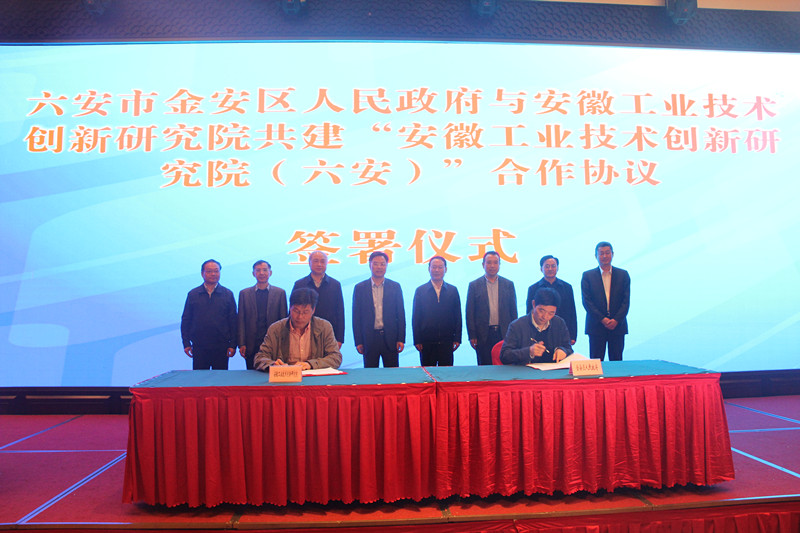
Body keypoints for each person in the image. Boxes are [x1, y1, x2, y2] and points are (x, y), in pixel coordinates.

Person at [253, 288, 342, 371]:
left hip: (313, 377)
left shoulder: (324, 327)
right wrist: (273, 365)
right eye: (296, 311)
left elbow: (335, 357)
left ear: (313, 310)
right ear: (290, 308)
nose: (300, 317)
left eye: (305, 312)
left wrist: (311, 364)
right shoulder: (276, 329)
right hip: (286, 377)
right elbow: (260, 357)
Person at [180, 259, 238, 370]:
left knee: (220, 378)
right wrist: (186, 343)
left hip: (221, 346)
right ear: (202, 273)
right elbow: (186, 320)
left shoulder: (227, 294)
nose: (213, 274)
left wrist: (233, 345)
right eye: (209, 271)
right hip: (199, 346)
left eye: (216, 271)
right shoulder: (193, 294)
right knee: (200, 379)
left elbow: (233, 321)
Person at [352, 251, 406, 368]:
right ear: (370, 265)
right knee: (370, 374)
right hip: (369, 339)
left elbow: (401, 315)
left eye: (382, 264)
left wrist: (401, 339)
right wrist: (358, 341)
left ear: (386, 266)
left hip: (390, 338)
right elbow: (356, 317)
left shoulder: (395, 286)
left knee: (392, 373)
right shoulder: (360, 288)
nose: (379, 267)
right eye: (375, 264)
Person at [581, 241, 630, 361]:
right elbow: (587, 302)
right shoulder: (588, 276)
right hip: (596, 326)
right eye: (601, 253)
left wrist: (616, 320)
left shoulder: (623, 275)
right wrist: (602, 319)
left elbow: (626, 301)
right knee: (596, 362)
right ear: (596, 256)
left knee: (617, 361)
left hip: (617, 326)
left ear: (612, 254)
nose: (604, 256)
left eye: (607, 253)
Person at [465, 251, 518, 365]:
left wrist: (514, 333)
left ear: (499, 264)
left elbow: (513, 312)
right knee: (484, 365)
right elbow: (470, 313)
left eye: (495, 262)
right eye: (489, 262)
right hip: (483, 334)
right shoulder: (474, 285)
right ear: (483, 264)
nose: (492, 266)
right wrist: (472, 336)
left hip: (504, 333)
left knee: (505, 366)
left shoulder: (508, 284)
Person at [500, 287, 573, 365]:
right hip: (525, 370)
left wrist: (563, 350)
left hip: (553, 370)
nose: (545, 317)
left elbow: (568, 348)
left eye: (551, 313)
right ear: (534, 304)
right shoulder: (517, 325)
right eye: (541, 311)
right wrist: (529, 351)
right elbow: (505, 356)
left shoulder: (559, 323)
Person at [237, 260, 288, 370]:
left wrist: (283, 344)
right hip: (251, 343)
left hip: (273, 343)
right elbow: (241, 320)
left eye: (265, 270)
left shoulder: (280, 293)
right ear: (253, 273)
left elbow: (284, 320)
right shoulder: (244, 294)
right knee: (251, 374)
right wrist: (241, 343)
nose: (261, 273)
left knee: (272, 373)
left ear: (270, 273)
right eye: (258, 270)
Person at [412, 256, 462, 366]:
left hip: (447, 341)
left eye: (440, 267)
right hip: (426, 341)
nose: (437, 270)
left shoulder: (452, 290)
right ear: (429, 269)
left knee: (446, 373)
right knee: (428, 372)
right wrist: (417, 340)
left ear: (445, 269)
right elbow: (416, 317)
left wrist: (457, 338)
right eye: (434, 267)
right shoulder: (421, 290)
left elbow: (458, 316)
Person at [293, 251, 345, 348]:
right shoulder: (300, 284)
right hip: (303, 333)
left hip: (328, 334)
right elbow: (293, 311)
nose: (319, 264)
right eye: (316, 261)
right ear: (309, 263)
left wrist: (339, 339)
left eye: (322, 261)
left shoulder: (335, 284)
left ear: (327, 263)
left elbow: (340, 312)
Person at [526, 255, 578, 345]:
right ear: (541, 269)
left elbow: (572, 312)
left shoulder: (567, 287)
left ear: (557, 268)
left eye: (553, 266)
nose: (550, 269)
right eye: (547, 266)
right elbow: (529, 312)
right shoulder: (533, 288)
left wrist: (573, 335)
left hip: (562, 330)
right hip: (540, 332)